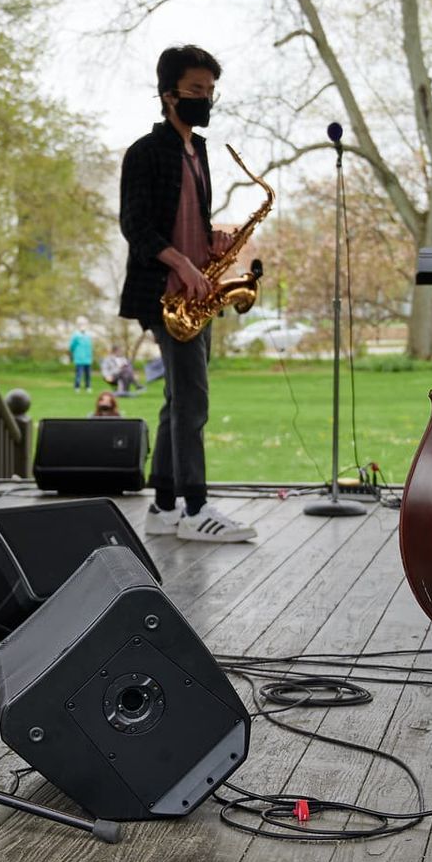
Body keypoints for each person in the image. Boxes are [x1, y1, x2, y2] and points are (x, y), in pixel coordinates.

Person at [117, 44, 255, 543]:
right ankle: (196, 510)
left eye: (211, 91)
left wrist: (213, 239)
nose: (206, 99)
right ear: (168, 94)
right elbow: (135, 225)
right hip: (166, 294)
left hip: (198, 294)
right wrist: (179, 261)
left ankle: (164, 506)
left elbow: (187, 222)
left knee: (179, 400)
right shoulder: (145, 152)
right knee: (193, 402)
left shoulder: (198, 153)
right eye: (197, 90)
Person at [68, 317, 94, 391]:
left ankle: (88, 386)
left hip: (87, 358)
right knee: (79, 374)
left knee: (88, 374)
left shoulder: (88, 335)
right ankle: (77, 386)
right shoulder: (76, 335)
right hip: (79, 358)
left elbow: (90, 347)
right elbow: (71, 346)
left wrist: (90, 355)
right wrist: (74, 353)